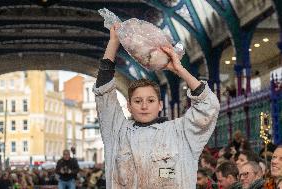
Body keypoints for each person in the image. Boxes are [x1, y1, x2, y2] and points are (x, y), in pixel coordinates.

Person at [93, 24, 220, 188]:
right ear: (129, 107)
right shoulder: (117, 133)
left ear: (160, 105)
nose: (144, 106)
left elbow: (208, 105)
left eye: (150, 100)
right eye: (138, 101)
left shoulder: (181, 133)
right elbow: (104, 93)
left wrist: (179, 70)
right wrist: (113, 42)